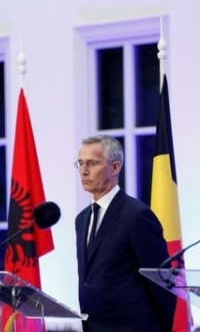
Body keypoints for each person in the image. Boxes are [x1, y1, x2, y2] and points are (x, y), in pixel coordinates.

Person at [74, 135, 176, 332]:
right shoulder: (82, 219)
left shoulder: (137, 215)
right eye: (80, 163)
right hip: (93, 326)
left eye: (92, 163)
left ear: (115, 167)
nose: (84, 171)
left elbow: (161, 282)